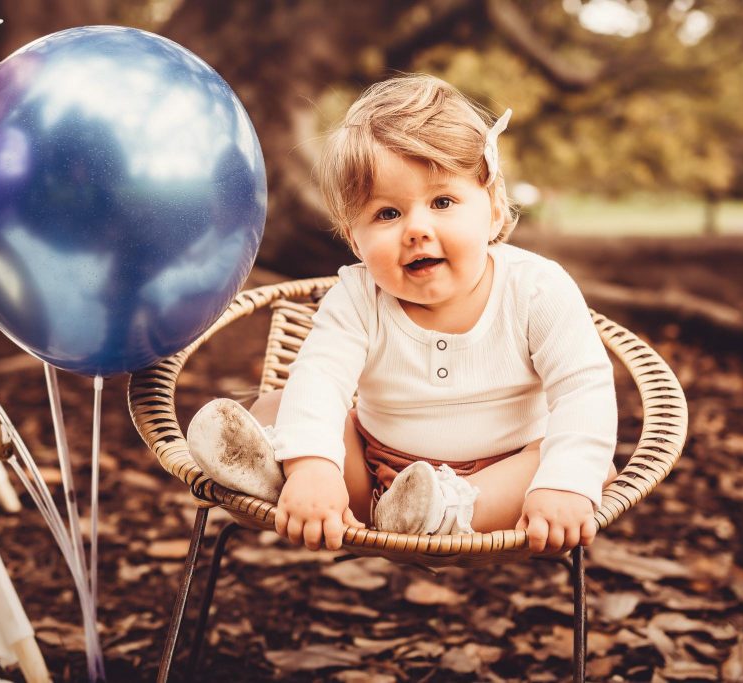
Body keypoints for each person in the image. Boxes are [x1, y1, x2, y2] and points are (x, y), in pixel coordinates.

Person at [186, 74, 617, 555]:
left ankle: (443, 514)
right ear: (354, 239)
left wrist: (565, 483)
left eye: (443, 202)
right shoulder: (357, 296)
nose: (417, 229)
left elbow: (583, 389)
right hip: (373, 471)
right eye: (387, 214)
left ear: (494, 211)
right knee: (281, 405)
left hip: (499, 477)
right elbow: (322, 378)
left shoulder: (537, 289)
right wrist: (314, 466)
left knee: (584, 459)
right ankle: (288, 475)